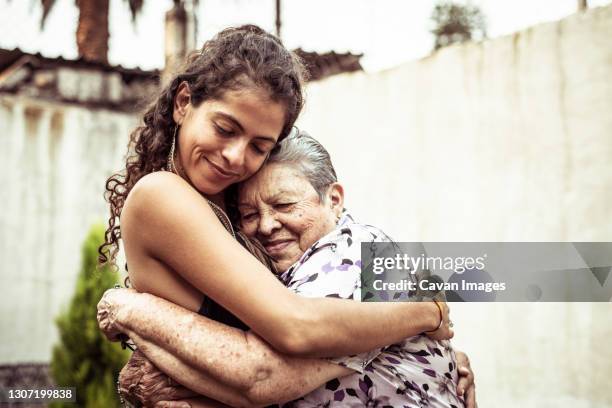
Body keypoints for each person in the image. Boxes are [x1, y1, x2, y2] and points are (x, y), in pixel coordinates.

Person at [97, 25, 463, 406]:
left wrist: (422, 359)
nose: (236, 156)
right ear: (184, 102)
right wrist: (424, 313)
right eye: (225, 129)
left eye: (259, 146)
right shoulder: (162, 195)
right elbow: (295, 327)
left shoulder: (233, 205)